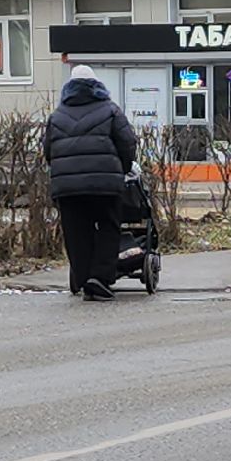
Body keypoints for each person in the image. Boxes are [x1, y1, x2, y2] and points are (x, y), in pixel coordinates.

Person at [46, 63, 139, 301]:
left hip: (68, 188)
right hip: (105, 184)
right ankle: (99, 277)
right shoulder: (110, 110)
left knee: (76, 232)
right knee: (108, 227)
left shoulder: (57, 116)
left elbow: (48, 151)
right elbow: (127, 142)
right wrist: (125, 168)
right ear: (97, 86)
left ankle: (82, 276)